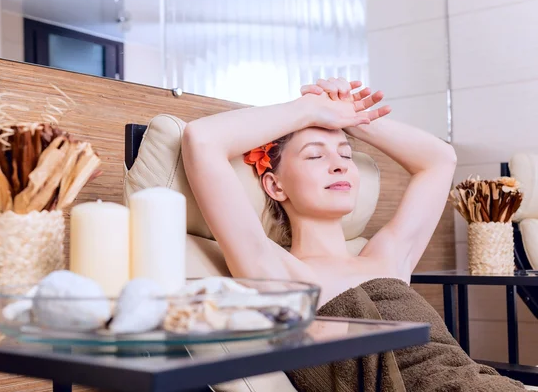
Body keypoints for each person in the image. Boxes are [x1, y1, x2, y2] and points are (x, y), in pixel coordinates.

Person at [181, 77, 525, 391]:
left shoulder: (387, 255)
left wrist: (349, 117)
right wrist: (310, 110)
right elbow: (202, 140)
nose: (340, 164)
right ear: (275, 184)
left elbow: (439, 160)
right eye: (315, 155)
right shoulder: (279, 273)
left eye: (346, 154)